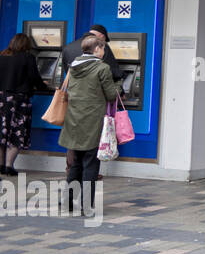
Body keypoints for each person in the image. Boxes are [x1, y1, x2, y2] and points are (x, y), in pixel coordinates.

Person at [60, 35, 121, 216]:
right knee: (91, 165)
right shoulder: (102, 68)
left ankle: (69, 201)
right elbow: (111, 94)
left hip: (74, 119)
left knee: (76, 162)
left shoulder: (74, 66)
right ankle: (87, 206)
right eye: (103, 49)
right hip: (92, 120)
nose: (104, 52)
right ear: (96, 49)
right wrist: (118, 85)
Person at [0, 33, 52, 176]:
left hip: (2, 100)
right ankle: (9, 166)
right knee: (18, 132)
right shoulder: (28, 58)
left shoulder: (2, 56)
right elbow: (35, 79)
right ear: (26, 45)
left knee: (2, 132)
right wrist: (45, 86)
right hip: (19, 101)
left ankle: (0, 165)